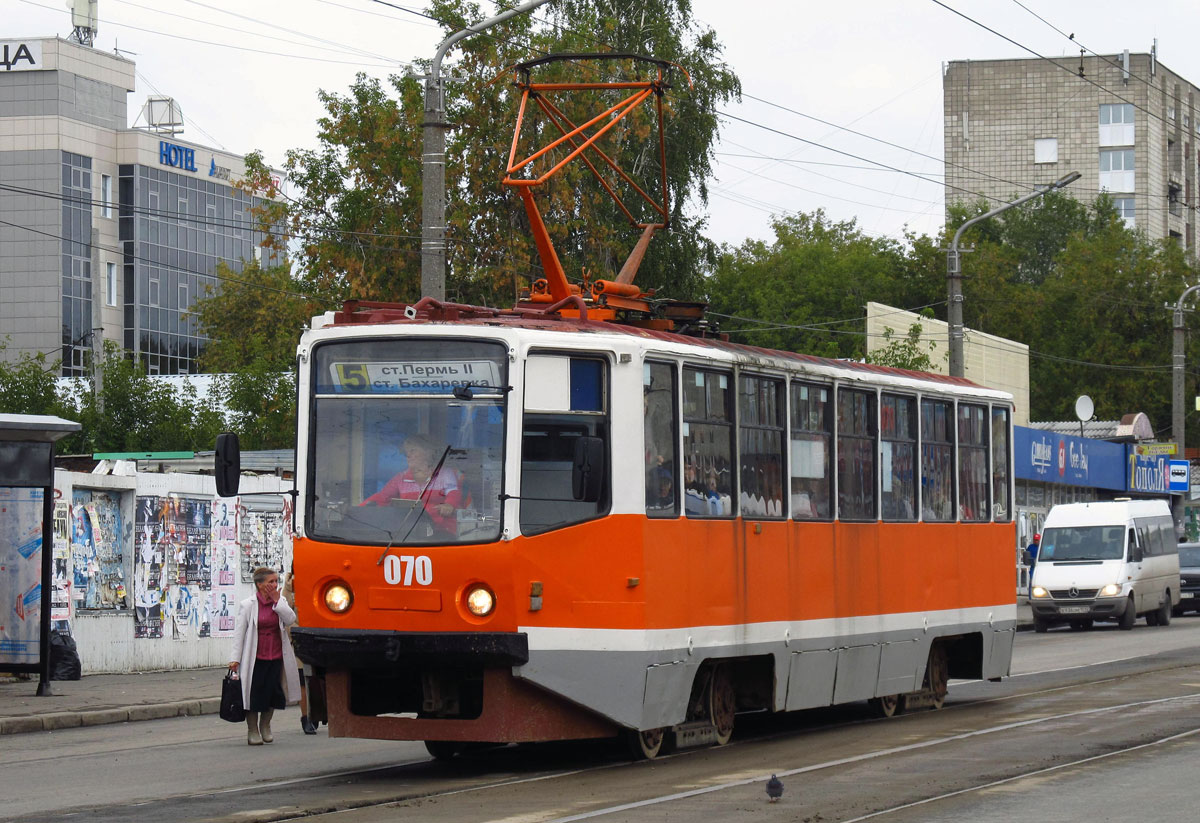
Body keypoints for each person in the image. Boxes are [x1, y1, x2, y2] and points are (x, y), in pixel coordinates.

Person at [230, 567, 301, 746]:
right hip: (255, 658)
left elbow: (290, 619)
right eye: (270, 582)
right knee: (254, 694)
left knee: (272, 693)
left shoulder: (281, 601)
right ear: (259, 584)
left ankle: (266, 725)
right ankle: (252, 729)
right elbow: (240, 633)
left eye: (276, 581)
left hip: (276, 655)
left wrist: (278, 602)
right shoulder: (248, 605)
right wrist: (235, 658)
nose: (274, 585)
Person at [361, 434, 462, 535]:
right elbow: (383, 496)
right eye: (406, 452)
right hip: (411, 531)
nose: (408, 455)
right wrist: (360, 508)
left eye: (413, 450)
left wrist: (449, 505)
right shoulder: (401, 478)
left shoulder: (445, 473)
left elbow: (453, 491)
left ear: (428, 452)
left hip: (442, 530)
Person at [281, 567, 318, 735]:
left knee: (319, 679)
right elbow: (285, 612)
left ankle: (317, 712)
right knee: (304, 680)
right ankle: (306, 718)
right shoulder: (290, 586)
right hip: (300, 639)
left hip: (319, 637)